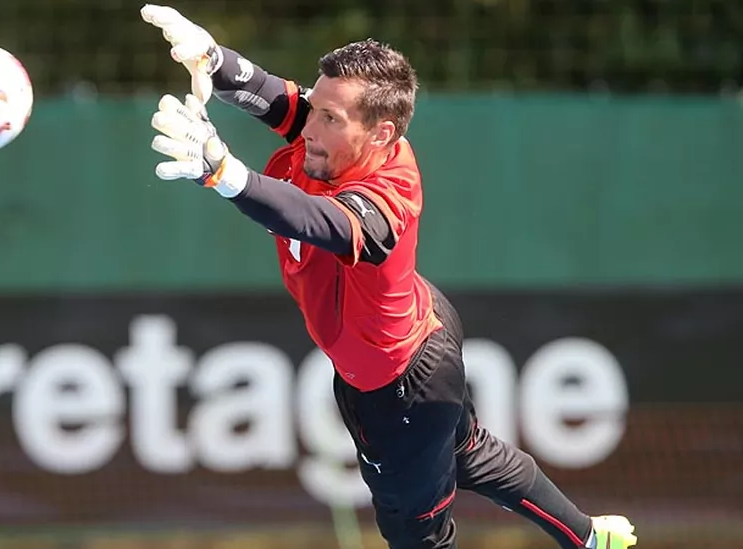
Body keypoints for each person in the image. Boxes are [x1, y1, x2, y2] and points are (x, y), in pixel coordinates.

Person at [139, 5, 638, 549]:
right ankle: (592, 539)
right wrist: (214, 59)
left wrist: (224, 172)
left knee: (418, 537)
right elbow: (273, 95)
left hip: (402, 389)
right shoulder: (334, 139)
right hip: (419, 327)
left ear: (381, 134)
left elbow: (316, 221)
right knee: (466, 452)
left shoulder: (387, 195)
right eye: (316, 109)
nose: (309, 128)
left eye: (330, 119)